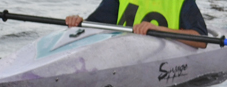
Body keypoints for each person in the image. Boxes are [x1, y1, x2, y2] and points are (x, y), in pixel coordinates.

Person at [65, 0, 208, 48]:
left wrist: (159, 29)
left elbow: (201, 39)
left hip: (162, 60)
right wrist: (78, 23)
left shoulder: (181, 1)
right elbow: (94, 27)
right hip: (120, 56)